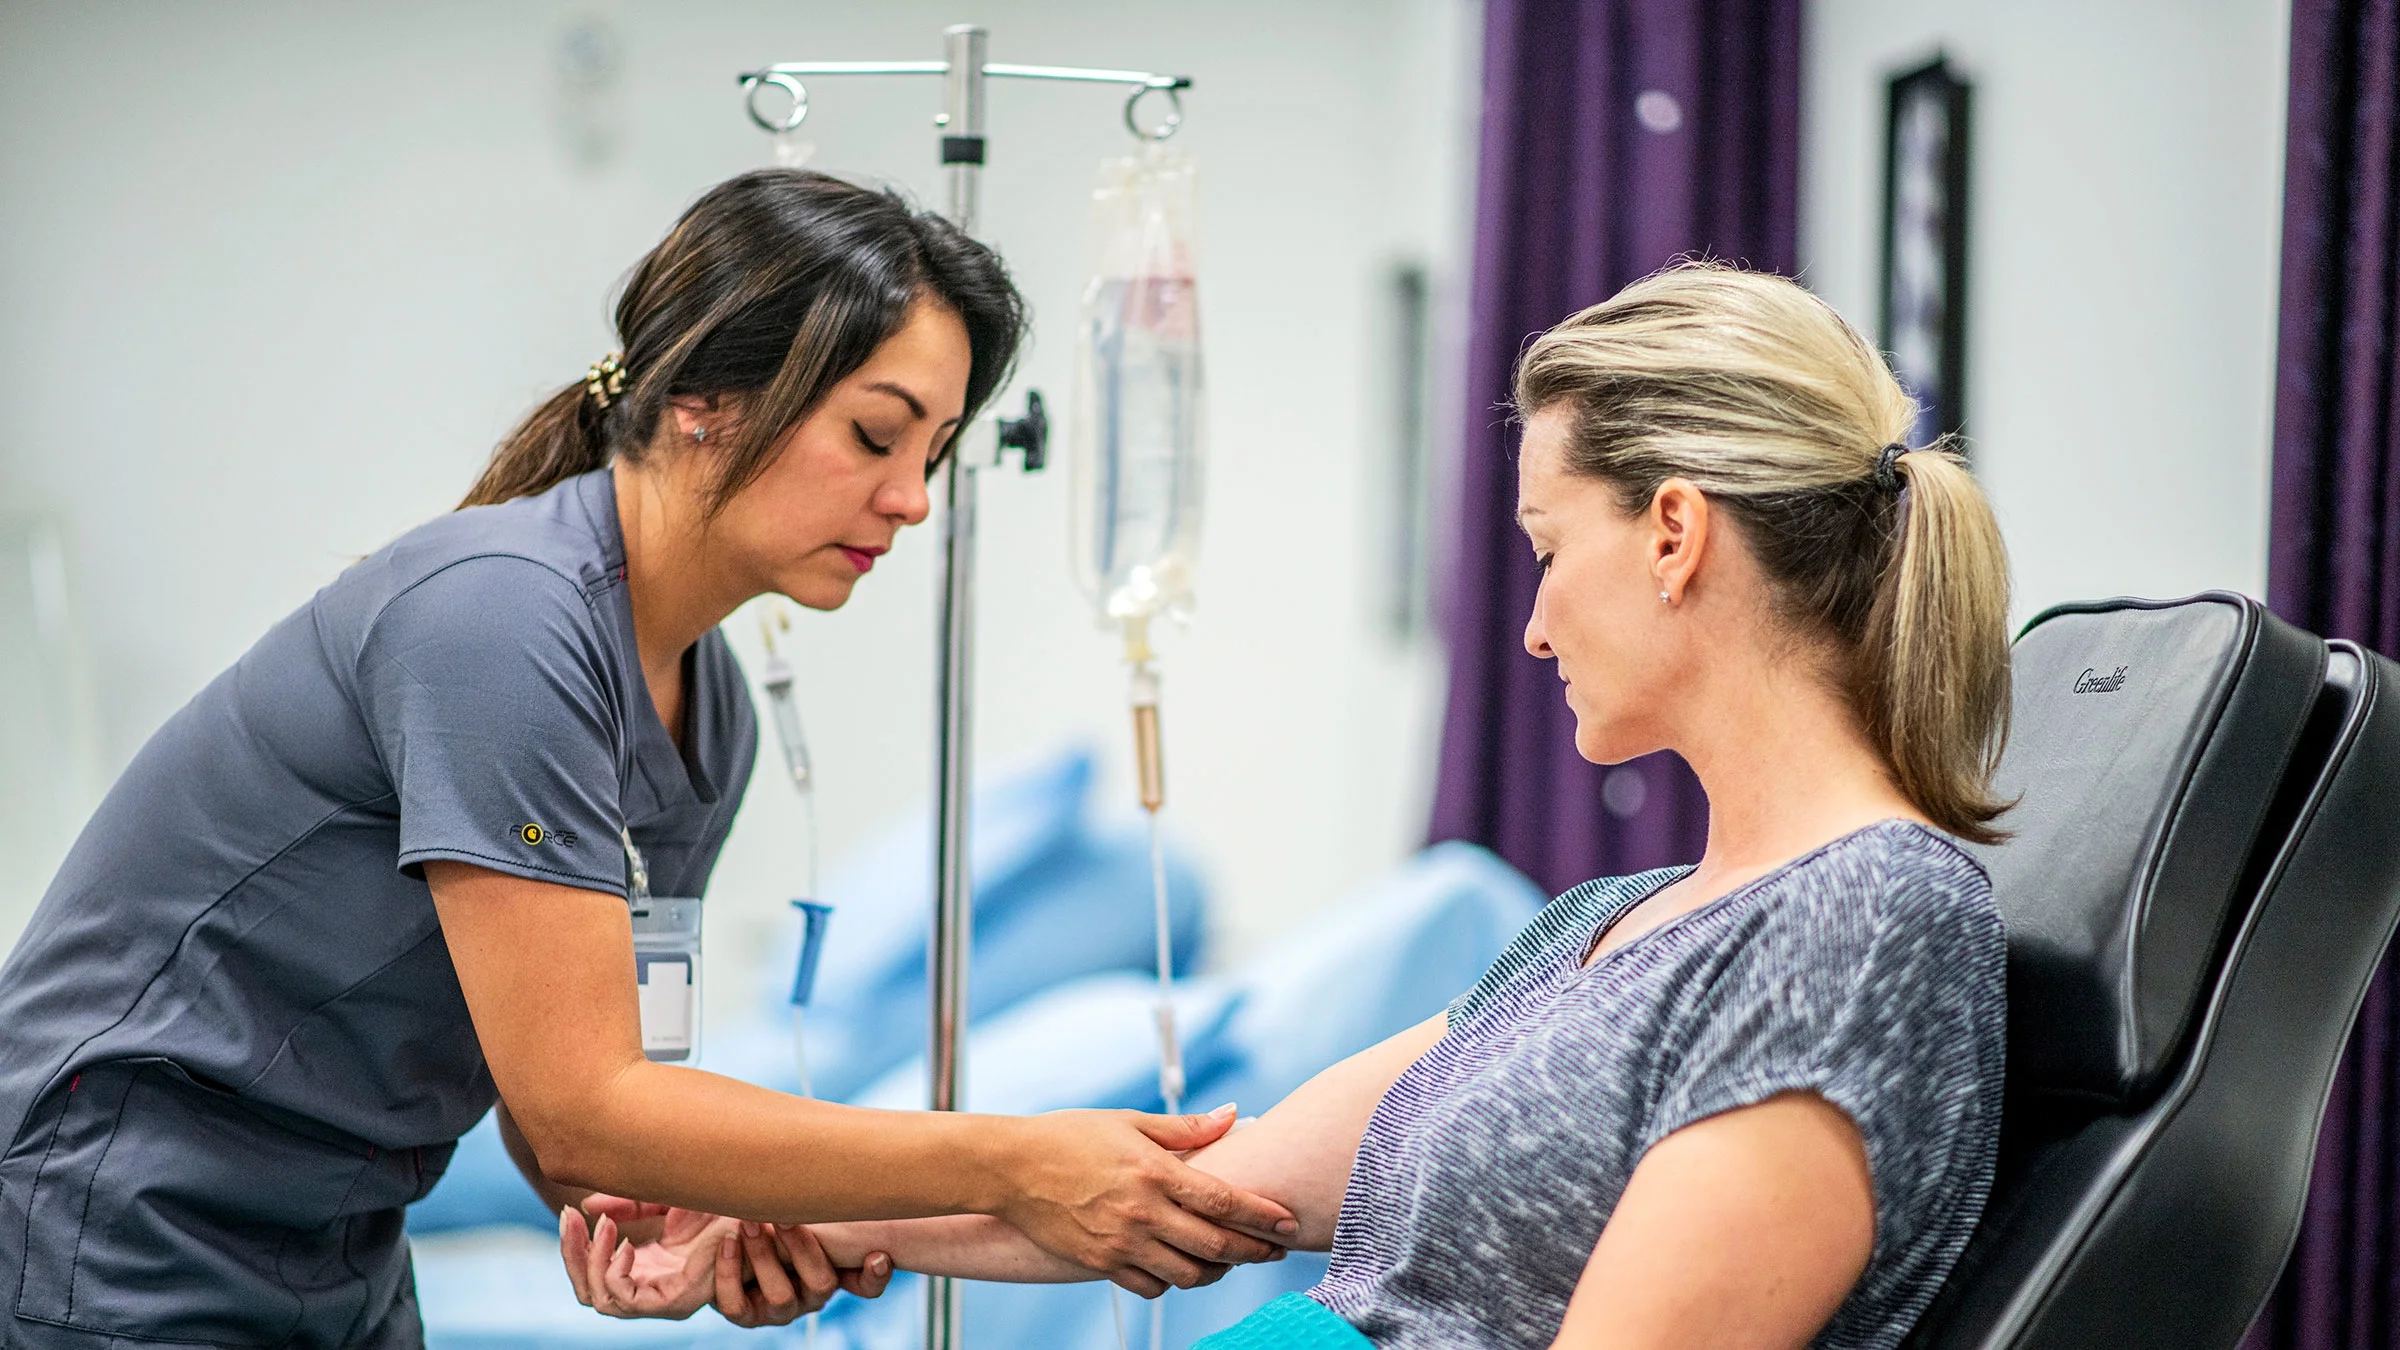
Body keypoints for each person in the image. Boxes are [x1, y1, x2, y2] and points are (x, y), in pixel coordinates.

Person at [603, 262, 2012, 1348]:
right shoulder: (1612, 918)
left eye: (1544, 548)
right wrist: (793, 1205)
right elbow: (1208, 1188)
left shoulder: (1866, 917)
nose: (1530, 626)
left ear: (1673, 533)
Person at [0, 168, 1294, 1350]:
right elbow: (581, 1106)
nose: (912, 497)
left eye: (935, 453)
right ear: (701, 403)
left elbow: (580, 1117)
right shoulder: (500, 620)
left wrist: (695, 1219)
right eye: (876, 433)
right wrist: (1012, 1160)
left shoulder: (700, 705)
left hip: (338, 1242)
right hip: (121, 1217)